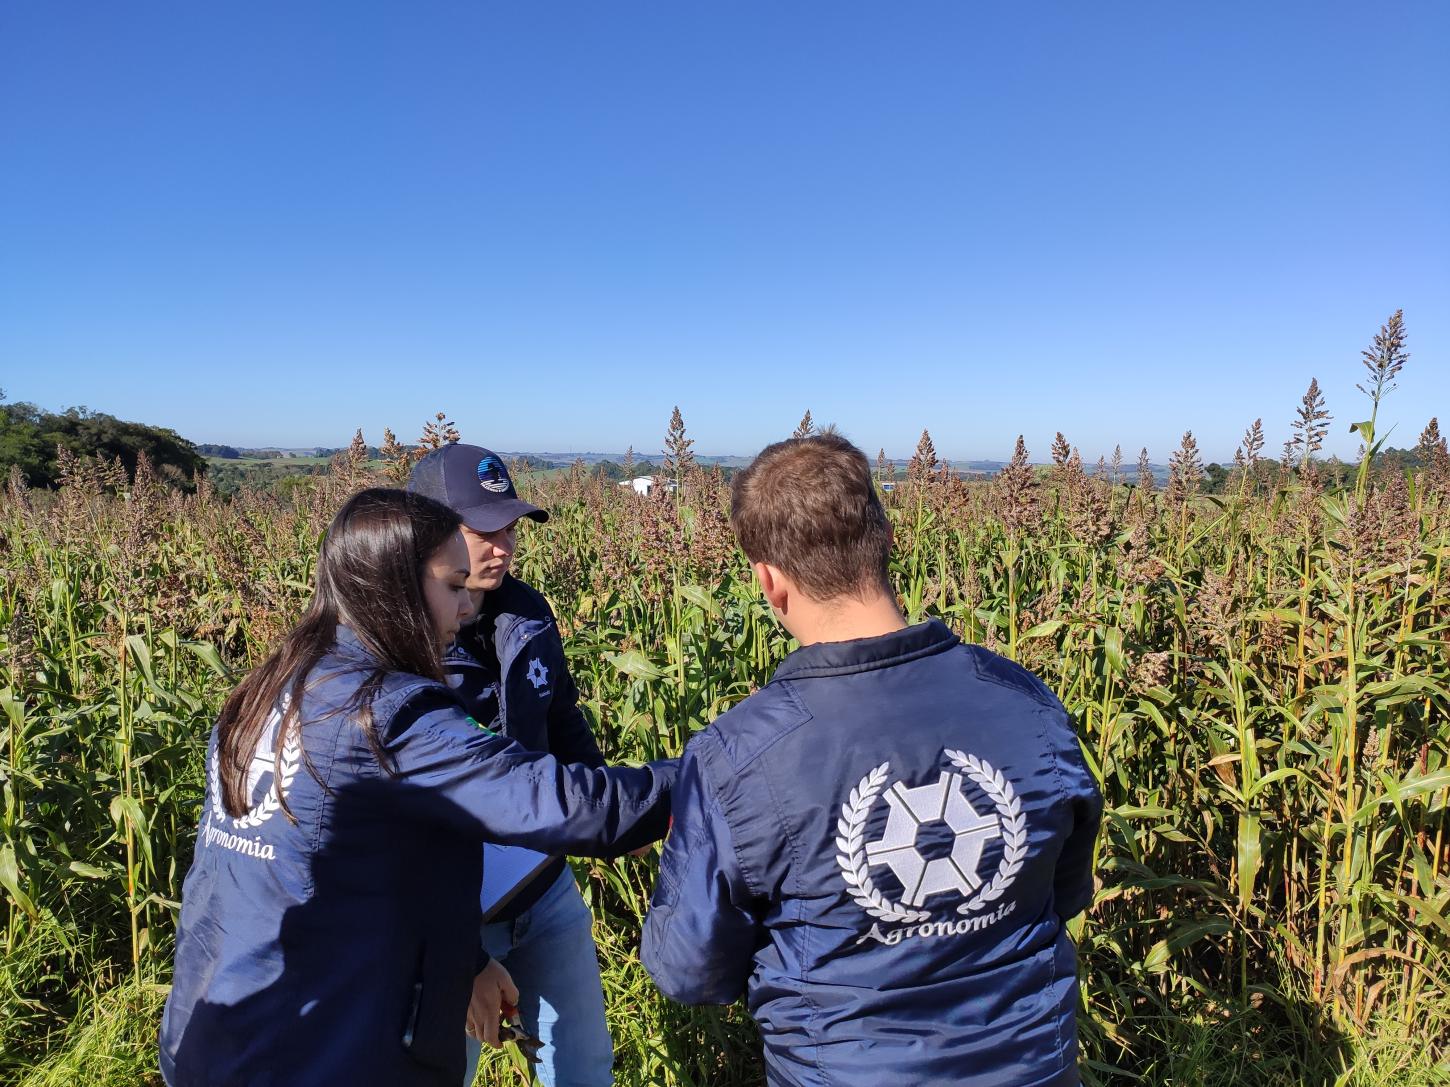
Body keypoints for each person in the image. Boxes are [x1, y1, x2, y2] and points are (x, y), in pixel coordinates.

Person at [159, 488, 675, 1087]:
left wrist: (463, 958)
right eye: (453, 587)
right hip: (318, 1047)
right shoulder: (385, 714)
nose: (465, 608)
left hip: (218, 1029)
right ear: (398, 588)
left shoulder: (272, 686)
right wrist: (718, 769)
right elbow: (556, 802)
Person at [640, 435, 1103, 1087]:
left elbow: (690, 969)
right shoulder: (1026, 701)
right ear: (886, 542)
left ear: (768, 580)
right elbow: (1061, 892)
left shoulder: (736, 756)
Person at [406, 443, 624, 1087]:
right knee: (440, 1071)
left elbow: (560, 719)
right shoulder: (400, 646)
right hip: (449, 908)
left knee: (582, 1065)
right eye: (482, 530)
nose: (502, 545)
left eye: (509, 527)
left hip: (543, 887)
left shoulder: (527, 614)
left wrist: (611, 814)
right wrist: (463, 956)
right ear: (426, 533)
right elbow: (401, 825)